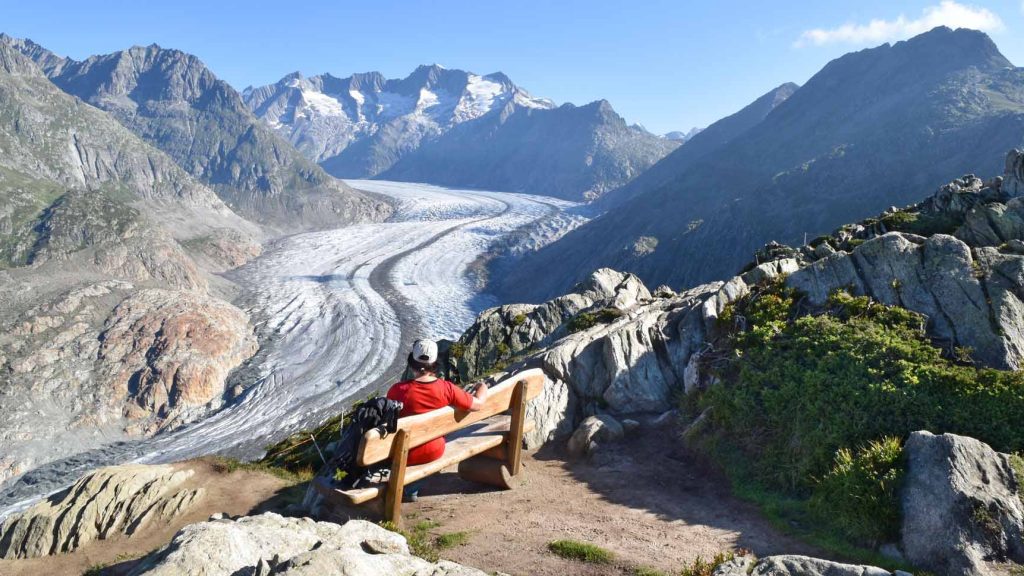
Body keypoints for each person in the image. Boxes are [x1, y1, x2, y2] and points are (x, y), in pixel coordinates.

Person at [386, 338, 488, 501]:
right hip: (434, 450)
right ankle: (411, 487)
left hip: (405, 453)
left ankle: (409, 487)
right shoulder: (446, 388)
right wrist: (482, 388)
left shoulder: (397, 391)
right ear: (434, 364)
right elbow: (478, 404)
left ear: (412, 362)